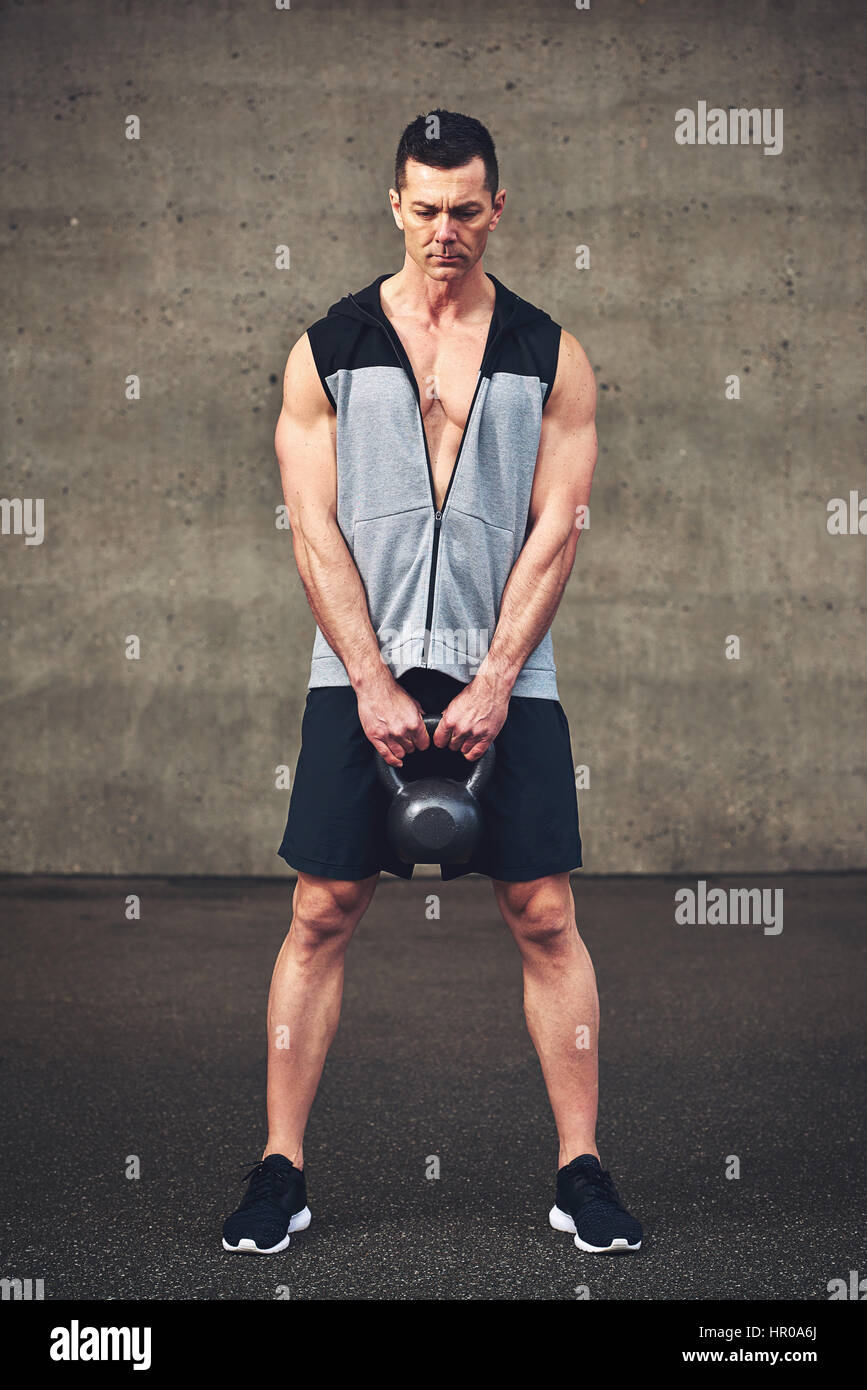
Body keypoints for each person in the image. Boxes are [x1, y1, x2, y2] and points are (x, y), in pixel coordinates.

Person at [222, 110, 642, 1257]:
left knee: (546, 912)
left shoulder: (551, 352)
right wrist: (366, 675)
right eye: (425, 208)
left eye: (467, 209)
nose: (445, 230)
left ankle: (581, 1172)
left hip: (508, 664)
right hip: (355, 666)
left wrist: (500, 674)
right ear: (394, 205)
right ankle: (281, 1171)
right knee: (318, 910)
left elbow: (559, 528)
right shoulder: (328, 348)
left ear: (496, 208)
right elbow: (311, 528)